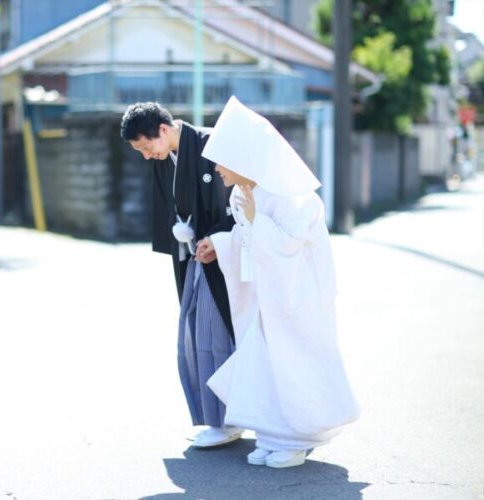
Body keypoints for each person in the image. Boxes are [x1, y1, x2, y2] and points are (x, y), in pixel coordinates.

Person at [196, 96, 361, 468]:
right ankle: (273, 435)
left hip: (299, 297)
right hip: (268, 297)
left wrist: (257, 222)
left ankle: (298, 437)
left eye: (223, 160)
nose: (218, 168)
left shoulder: (294, 195)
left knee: (296, 363)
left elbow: (288, 246)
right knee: (264, 364)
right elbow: (248, 239)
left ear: (244, 158)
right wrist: (221, 244)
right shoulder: (244, 192)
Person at [120, 103, 242, 447]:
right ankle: (217, 417)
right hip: (194, 259)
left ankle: (230, 419)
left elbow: (236, 204)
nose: (147, 157)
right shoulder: (166, 158)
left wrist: (218, 238)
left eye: (146, 147)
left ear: (163, 129)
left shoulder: (211, 145)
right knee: (194, 337)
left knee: (217, 336)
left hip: (222, 258)